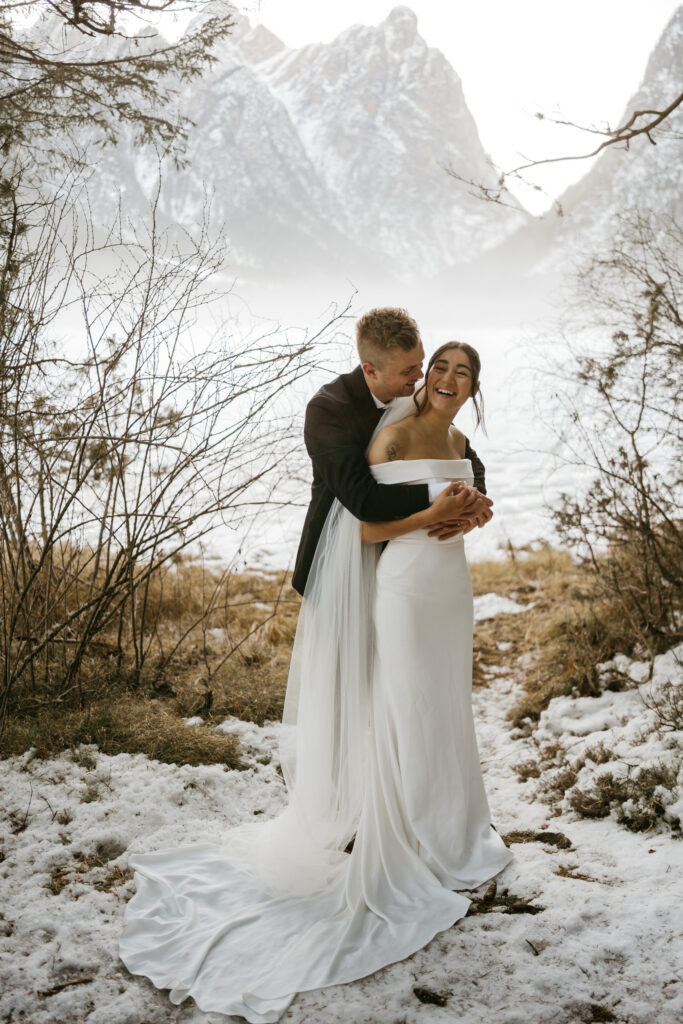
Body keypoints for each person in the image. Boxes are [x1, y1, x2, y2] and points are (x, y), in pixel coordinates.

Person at [118, 314, 514, 1023]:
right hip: (360, 575)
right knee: (376, 697)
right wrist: (435, 512)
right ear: (374, 370)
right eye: (416, 369)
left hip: (435, 581)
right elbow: (358, 505)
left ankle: (436, 820)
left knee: (428, 699)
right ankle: (373, 820)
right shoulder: (340, 413)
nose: (426, 378)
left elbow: (464, 465)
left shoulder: (437, 420)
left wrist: (472, 504)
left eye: (434, 366)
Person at [291, 307, 493, 596]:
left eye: (420, 363)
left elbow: (463, 452)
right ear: (370, 370)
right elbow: (364, 500)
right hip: (338, 563)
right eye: (409, 370)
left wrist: (475, 498)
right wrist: (443, 496)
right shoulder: (328, 410)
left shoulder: (411, 388)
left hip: (404, 561)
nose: (420, 375)